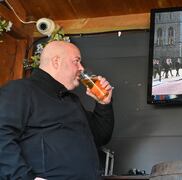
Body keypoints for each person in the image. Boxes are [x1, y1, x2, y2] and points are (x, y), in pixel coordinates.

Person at [0, 41, 114, 180]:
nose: (81, 68)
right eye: (76, 61)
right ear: (56, 61)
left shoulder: (72, 100)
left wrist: (104, 104)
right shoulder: (20, 90)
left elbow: (101, 136)